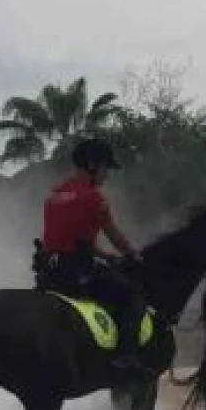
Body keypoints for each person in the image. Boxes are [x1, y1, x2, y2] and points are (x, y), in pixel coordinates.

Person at [35, 138, 148, 377]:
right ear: (92, 165)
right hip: (77, 273)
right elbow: (115, 235)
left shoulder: (54, 195)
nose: (107, 176)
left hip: (48, 273)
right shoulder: (94, 197)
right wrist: (132, 254)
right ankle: (125, 358)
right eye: (106, 168)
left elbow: (71, 238)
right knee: (132, 294)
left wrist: (105, 255)